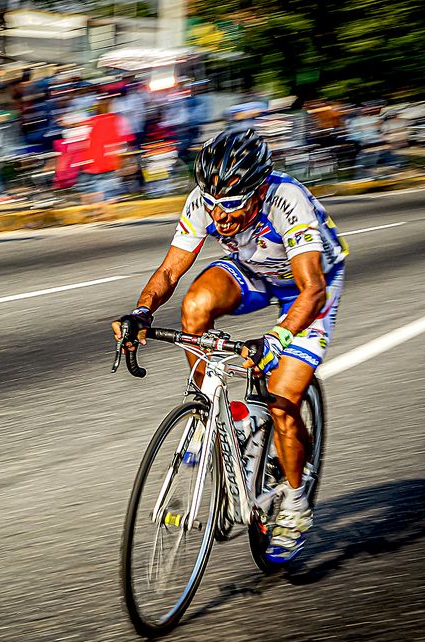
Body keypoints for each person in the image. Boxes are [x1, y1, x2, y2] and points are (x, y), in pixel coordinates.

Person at [111, 129, 348, 563]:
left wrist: (276, 340)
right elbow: (168, 273)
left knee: (282, 399)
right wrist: (140, 313)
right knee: (195, 306)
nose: (220, 215)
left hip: (310, 286)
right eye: (213, 202)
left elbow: (312, 290)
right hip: (254, 271)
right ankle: (208, 411)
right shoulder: (206, 201)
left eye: (233, 204)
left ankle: (295, 505)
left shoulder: (286, 200)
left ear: (258, 191)